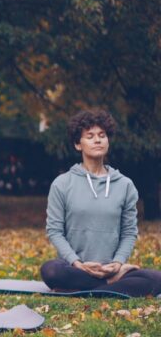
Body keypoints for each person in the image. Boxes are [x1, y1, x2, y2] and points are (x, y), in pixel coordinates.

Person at [40, 109, 161, 296]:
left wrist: (118, 263)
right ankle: (108, 285)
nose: (98, 140)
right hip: (74, 269)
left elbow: (129, 232)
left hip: (112, 269)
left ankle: (87, 286)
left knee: (156, 279)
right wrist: (77, 263)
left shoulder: (125, 185)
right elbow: (54, 231)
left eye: (102, 135)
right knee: (51, 270)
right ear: (77, 144)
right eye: (90, 136)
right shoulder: (62, 183)